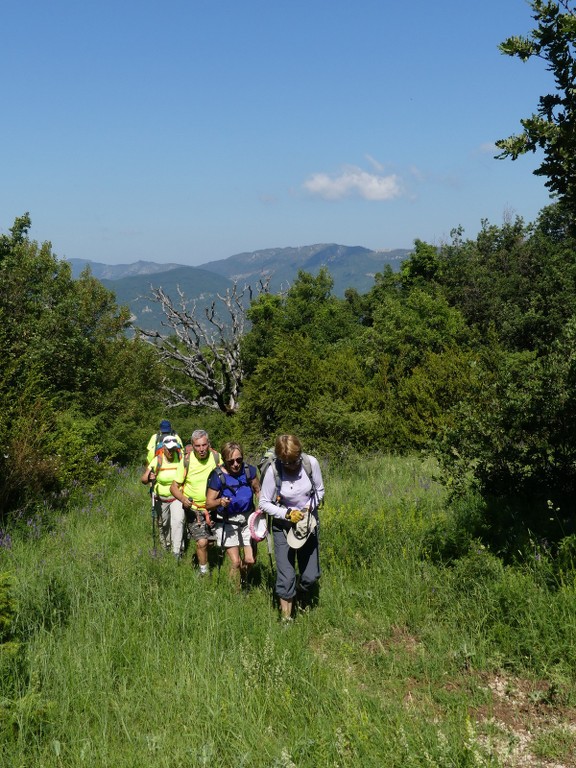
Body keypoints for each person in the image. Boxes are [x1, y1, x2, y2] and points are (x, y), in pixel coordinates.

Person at [259, 434, 324, 623]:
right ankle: (287, 619)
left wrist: (309, 507)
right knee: (286, 576)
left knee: (311, 575)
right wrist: (286, 514)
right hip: (283, 527)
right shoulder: (273, 471)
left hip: (307, 524)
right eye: (287, 463)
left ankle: (301, 594)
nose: (292, 466)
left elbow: (319, 491)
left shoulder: (310, 463)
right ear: (280, 460)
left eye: (294, 461)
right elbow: (264, 503)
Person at [205, 442, 260, 589]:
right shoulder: (217, 476)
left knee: (250, 559)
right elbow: (208, 503)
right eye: (231, 461)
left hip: (248, 518)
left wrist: (261, 507)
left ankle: (243, 579)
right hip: (226, 521)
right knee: (235, 562)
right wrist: (220, 501)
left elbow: (257, 489)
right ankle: (234, 593)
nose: (236, 464)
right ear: (224, 460)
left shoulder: (249, 471)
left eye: (239, 460)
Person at [170, 429, 221, 576]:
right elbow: (173, 487)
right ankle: (204, 572)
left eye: (204, 445)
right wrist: (183, 499)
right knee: (202, 542)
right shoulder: (186, 461)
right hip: (194, 509)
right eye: (197, 446)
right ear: (192, 446)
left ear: (209, 444)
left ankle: (200, 554)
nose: (202, 449)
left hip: (214, 508)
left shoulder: (217, 457)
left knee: (211, 542)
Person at [141, 434, 185, 559]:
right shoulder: (157, 460)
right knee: (164, 524)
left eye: (173, 449)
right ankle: (166, 546)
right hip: (161, 498)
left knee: (178, 521)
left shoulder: (181, 459)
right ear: (164, 448)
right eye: (169, 449)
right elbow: (143, 479)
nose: (171, 452)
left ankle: (176, 552)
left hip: (177, 497)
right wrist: (149, 477)